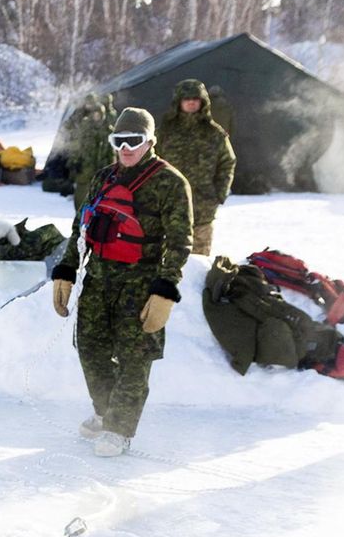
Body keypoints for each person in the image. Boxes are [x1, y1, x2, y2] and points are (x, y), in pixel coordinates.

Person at [50, 108, 192, 457]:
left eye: (135, 140)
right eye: (119, 141)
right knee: (90, 348)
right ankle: (105, 412)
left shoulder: (170, 183)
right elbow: (79, 228)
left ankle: (120, 429)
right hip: (98, 279)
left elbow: (179, 243)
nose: (126, 148)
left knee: (134, 359)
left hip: (140, 285)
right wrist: (66, 271)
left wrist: (165, 290)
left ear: (150, 141)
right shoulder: (102, 178)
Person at [156, 78, 234, 256]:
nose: (191, 102)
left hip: (202, 211)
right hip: (169, 210)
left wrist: (219, 194)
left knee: (198, 264)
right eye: (186, 98)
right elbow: (151, 162)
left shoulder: (215, 134)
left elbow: (227, 163)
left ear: (203, 101)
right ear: (179, 101)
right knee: (167, 264)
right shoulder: (165, 133)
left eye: (195, 98)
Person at [66, 93, 115, 212]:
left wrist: (113, 167)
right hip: (85, 166)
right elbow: (76, 145)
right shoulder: (85, 127)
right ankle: (80, 214)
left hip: (102, 166)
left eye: (99, 114)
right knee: (81, 193)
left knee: (101, 194)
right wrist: (74, 161)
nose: (96, 116)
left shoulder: (108, 130)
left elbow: (111, 151)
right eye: (95, 114)